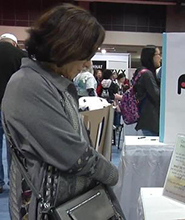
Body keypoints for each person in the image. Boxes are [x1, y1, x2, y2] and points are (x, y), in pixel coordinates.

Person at [1, 4, 124, 219]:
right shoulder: (28, 84)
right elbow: (72, 153)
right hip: (47, 207)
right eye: (85, 55)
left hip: (67, 202)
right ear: (65, 47)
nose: (87, 64)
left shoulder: (52, 82)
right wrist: (112, 173)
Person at [0, 33, 27, 194]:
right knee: (14, 147)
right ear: (15, 43)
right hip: (14, 107)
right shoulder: (21, 56)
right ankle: (14, 182)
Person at [134, 45, 161, 136]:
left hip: (147, 119)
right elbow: (157, 96)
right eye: (158, 54)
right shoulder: (147, 74)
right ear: (151, 57)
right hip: (151, 120)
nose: (160, 58)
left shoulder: (142, 72)